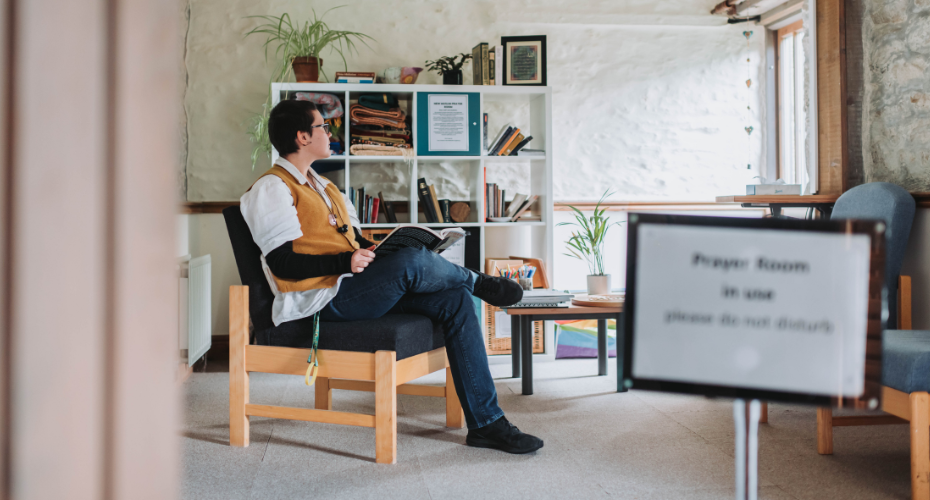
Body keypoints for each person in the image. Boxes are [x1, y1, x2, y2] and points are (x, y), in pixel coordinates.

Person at [240, 99, 544, 454]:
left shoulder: (326, 187)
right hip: (321, 299)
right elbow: (282, 263)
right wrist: (345, 261)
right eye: (323, 126)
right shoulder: (271, 189)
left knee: (453, 298)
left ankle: (487, 424)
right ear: (302, 136)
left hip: (354, 286)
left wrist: (381, 248)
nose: (330, 133)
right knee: (414, 263)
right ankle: (476, 281)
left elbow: (353, 242)